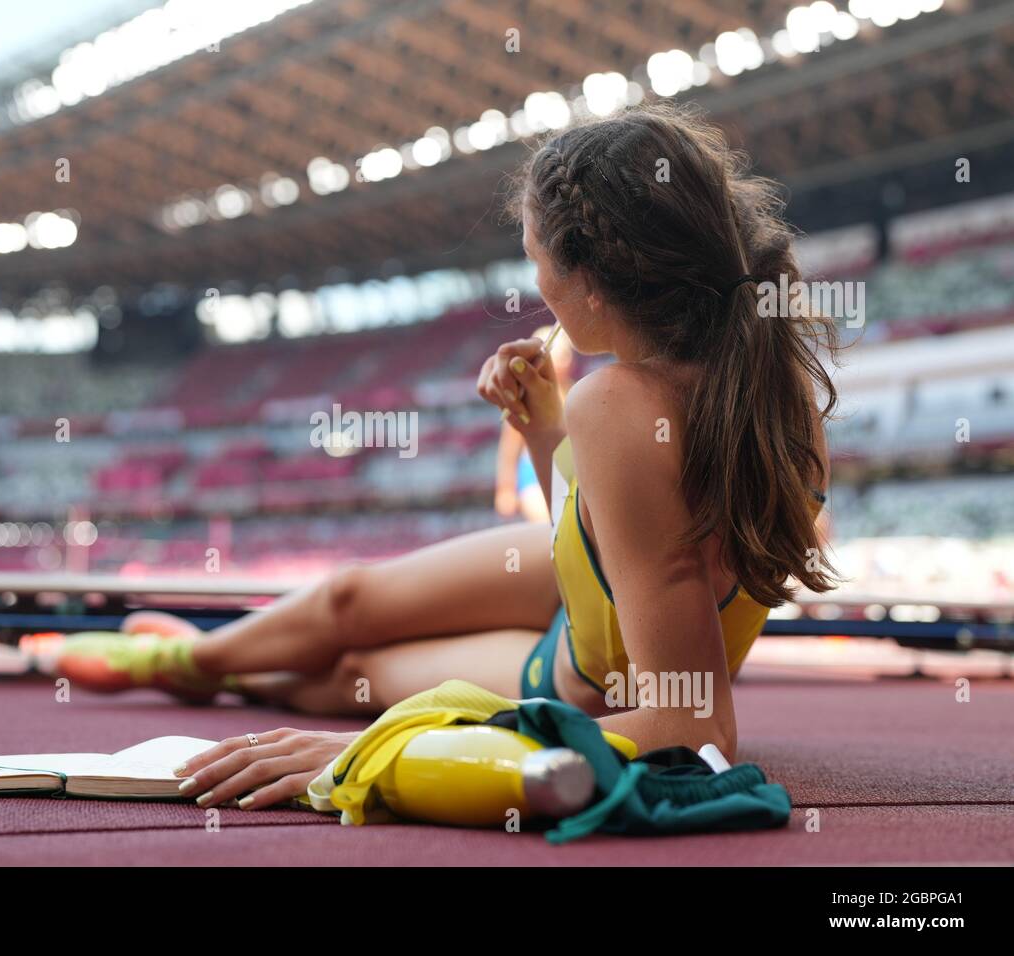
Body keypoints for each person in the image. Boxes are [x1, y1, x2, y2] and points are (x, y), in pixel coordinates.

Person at [58, 105, 838, 811]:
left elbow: (694, 724)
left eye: (537, 261)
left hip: (581, 680)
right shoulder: (773, 389)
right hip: (596, 619)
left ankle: (201, 669)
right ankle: (192, 662)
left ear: (593, 285)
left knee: (347, 674)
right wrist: (542, 430)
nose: (535, 285)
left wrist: (379, 746)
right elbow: (621, 534)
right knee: (347, 601)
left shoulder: (621, 404)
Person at [494, 324, 577, 522]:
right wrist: (505, 488)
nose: (563, 361)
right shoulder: (526, 398)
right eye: (558, 356)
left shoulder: (574, 392)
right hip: (534, 475)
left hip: (570, 471)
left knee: (568, 528)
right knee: (550, 527)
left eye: (566, 355)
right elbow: (510, 447)